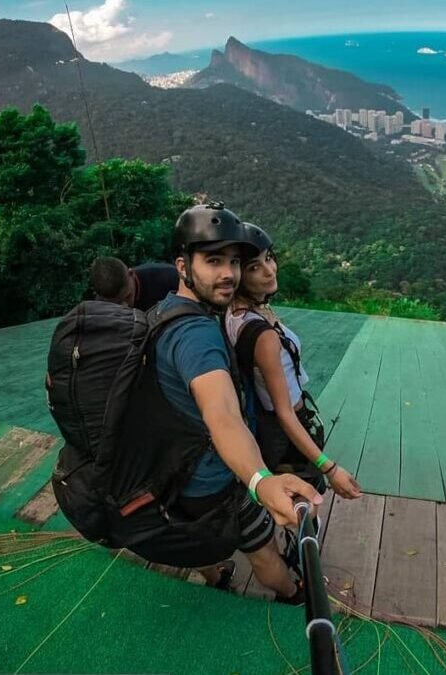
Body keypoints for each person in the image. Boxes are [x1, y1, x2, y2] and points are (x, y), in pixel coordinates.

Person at [128, 203, 321, 602]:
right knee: (263, 550)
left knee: (196, 529)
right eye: (214, 261)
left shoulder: (164, 309)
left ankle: (215, 573)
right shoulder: (197, 337)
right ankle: (292, 591)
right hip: (214, 478)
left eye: (234, 262)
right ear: (183, 266)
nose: (229, 274)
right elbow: (223, 416)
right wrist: (260, 481)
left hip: (174, 471)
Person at [225, 222, 362, 510]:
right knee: (305, 503)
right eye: (254, 267)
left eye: (269, 258)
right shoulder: (262, 335)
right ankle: (301, 553)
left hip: (275, 426)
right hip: (286, 431)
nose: (269, 270)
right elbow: (285, 413)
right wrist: (329, 467)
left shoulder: (237, 313)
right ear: (238, 275)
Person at [89, 257, 179, 311]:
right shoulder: (99, 305)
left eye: (128, 296)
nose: (126, 306)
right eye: (117, 303)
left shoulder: (169, 277)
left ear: (131, 274)